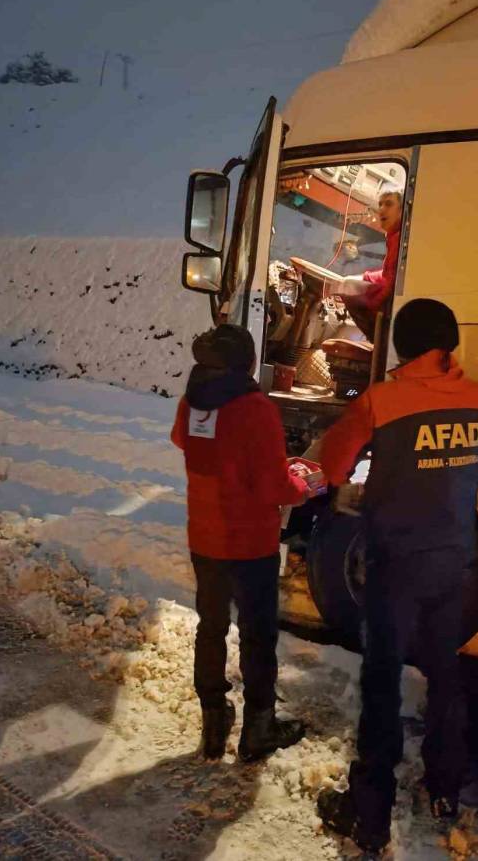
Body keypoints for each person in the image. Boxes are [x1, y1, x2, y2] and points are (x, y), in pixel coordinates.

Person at [316, 298, 478, 853]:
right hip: (454, 561)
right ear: (450, 343)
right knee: (445, 674)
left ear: (400, 344)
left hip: (394, 564)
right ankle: (444, 787)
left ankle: (370, 816)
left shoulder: (382, 400)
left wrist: (356, 487)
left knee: (383, 681)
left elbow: (332, 463)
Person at [171, 323, 312, 761]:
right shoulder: (255, 408)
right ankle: (258, 730)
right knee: (257, 635)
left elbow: (185, 440)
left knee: (211, 628)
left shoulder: (191, 403)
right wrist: (304, 485)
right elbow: (275, 487)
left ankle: (215, 719)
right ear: (247, 362)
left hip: (206, 539)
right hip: (251, 544)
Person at [334, 185, 403, 341]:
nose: (382, 209)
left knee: (347, 287)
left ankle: (377, 341)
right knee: (348, 283)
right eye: (380, 204)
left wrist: (371, 308)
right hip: (386, 295)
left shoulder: (401, 238)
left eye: (389, 204)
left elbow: (392, 284)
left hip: (388, 311)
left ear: (402, 210)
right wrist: (366, 277)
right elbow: (388, 272)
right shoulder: (393, 235)